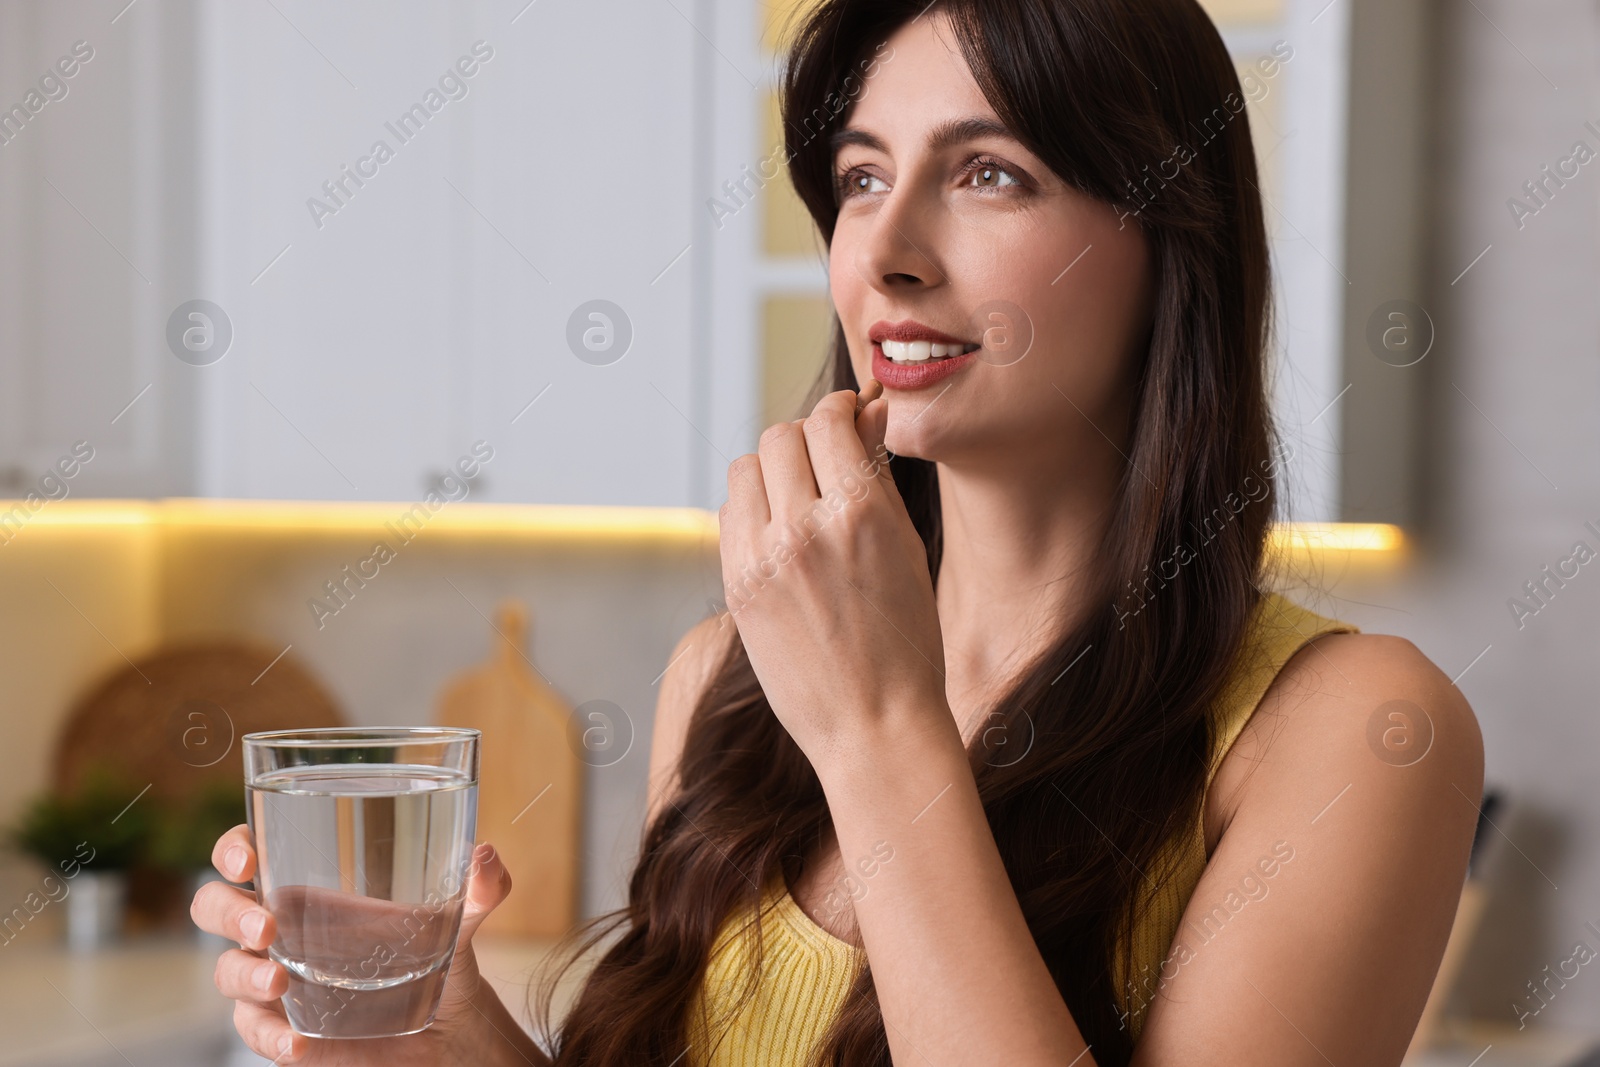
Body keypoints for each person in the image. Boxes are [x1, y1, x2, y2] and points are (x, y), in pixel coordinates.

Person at [192, 1, 1485, 1063]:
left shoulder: (1357, 734)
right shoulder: (727, 678)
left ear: (1169, 243)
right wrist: (440, 1024)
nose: (887, 255)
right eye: (863, 177)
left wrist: (876, 731)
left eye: (990, 174)